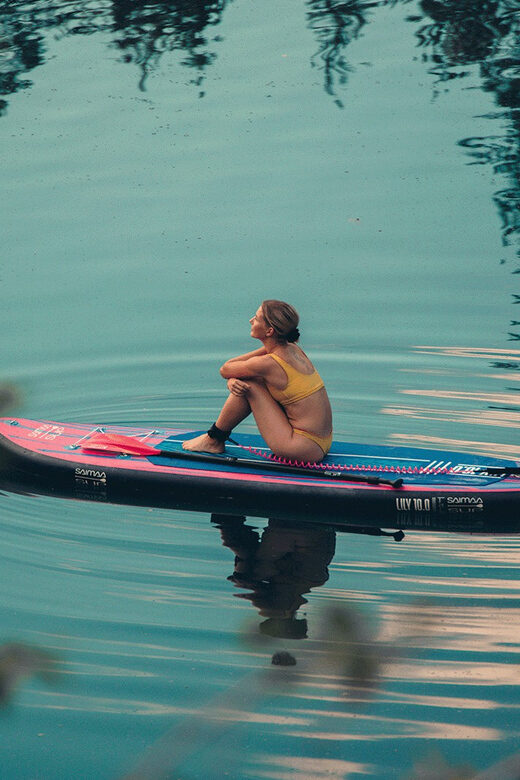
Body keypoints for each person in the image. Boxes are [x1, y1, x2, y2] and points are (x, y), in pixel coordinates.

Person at [183, 300, 333, 462]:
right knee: (252, 380)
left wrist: (232, 379)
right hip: (322, 442)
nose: (250, 320)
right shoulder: (293, 349)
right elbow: (246, 370)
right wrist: (234, 379)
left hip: (300, 448)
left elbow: (225, 369)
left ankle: (213, 440)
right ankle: (214, 439)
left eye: (256, 318)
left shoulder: (268, 363)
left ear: (269, 331)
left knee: (250, 385)